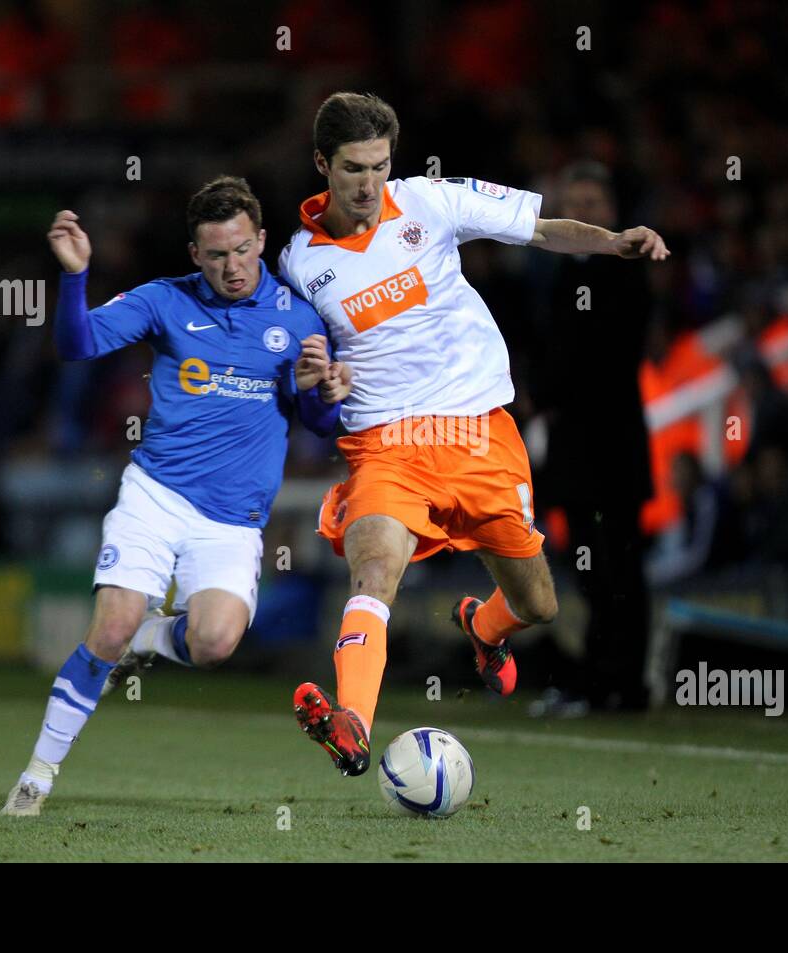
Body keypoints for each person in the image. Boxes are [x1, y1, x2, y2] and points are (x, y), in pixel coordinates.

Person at [277, 92, 670, 776]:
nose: (368, 183)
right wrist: (316, 383)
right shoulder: (299, 264)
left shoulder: (431, 200)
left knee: (539, 603)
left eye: (378, 165)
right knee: (375, 570)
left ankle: (484, 628)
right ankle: (354, 724)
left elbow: (542, 229)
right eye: (351, 169)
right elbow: (298, 377)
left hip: (479, 431)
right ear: (322, 165)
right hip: (385, 443)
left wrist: (610, 242)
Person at [1, 176, 351, 815]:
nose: (232, 267)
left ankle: (148, 639)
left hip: (233, 521)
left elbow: (321, 426)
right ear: (195, 253)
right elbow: (77, 345)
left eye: (243, 250)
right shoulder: (165, 301)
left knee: (216, 642)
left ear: (262, 241)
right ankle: (37, 776)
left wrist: (318, 392)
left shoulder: (298, 317)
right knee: (109, 627)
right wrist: (77, 276)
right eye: (216, 255)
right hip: (156, 498)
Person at [533, 160, 654, 712]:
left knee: (618, 571)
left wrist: (549, 389)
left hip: (613, 452)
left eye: (592, 205)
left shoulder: (626, 269)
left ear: (612, 213)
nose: (582, 215)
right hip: (576, 457)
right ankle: (602, 679)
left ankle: (621, 683)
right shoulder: (560, 273)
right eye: (573, 204)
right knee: (588, 570)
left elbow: (596, 360)